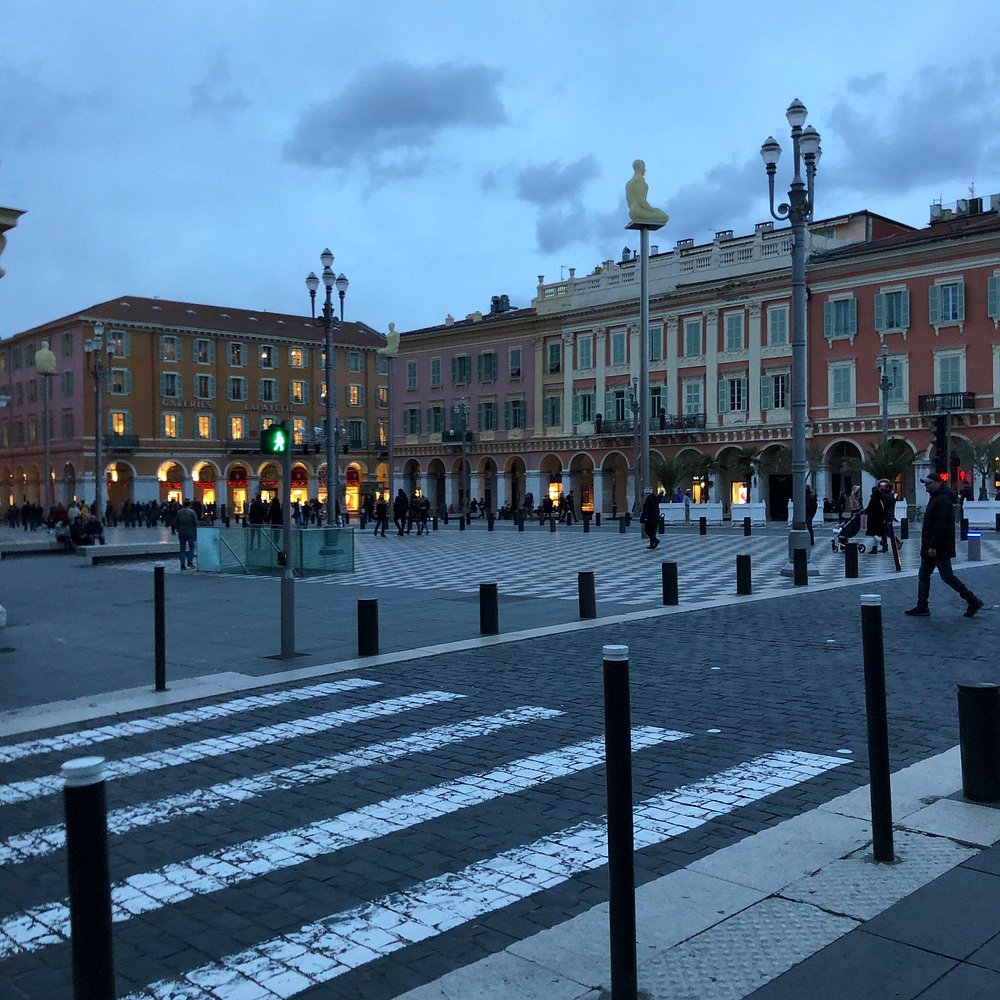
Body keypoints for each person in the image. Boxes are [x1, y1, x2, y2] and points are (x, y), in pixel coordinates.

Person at [905, 472, 984, 618]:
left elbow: (941, 525)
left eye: (929, 484)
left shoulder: (942, 500)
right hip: (931, 545)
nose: (926, 487)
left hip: (938, 546)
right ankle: (922, 605)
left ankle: (972, 600)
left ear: (938, 483)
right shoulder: (936, 498)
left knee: (947, 576)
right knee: (924, 575)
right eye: (925, 484)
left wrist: (933, 546)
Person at [176, 499, 198, 570]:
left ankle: (182, 564)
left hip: (181, 532)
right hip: (190, 531)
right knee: (191, 547)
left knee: (182, 548)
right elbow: (195, 522)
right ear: (189, 505)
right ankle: (190, 562)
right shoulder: (192, 512)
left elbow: (176, 522)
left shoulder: (179, 512)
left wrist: (178, 529)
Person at [864, 485, 887, 555]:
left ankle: (881, 542)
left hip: (873, 518)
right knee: (877, 533)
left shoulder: (874, 498)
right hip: (881, 518)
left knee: (872, 533)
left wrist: (865, 511)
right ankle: (874, 548)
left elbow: (870, 507)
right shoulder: (881, 497)